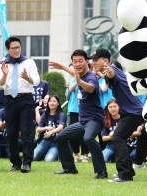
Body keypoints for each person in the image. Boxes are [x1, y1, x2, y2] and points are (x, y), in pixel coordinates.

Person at [48, 49, 108, 179]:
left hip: (95, 120)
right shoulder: (80, 74)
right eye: (74, 61)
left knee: (88, 138)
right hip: (83, 122)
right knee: (61, 137)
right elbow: (74, 72)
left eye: (80, 61)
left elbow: (91, 88)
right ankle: (70, 168)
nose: (77, 64)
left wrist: (79, 82)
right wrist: (62, 67)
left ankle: (102, 172)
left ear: (87, 61)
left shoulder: (91, 76)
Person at [90, 48, 144, 182]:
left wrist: (108, 72)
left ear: (106, 61)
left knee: (117, 138)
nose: (94, 62)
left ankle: (125, 175)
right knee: (121, 138)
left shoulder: (112, 71)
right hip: (131, 112)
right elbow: (112, 78)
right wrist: (102, 74)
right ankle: (129, 171)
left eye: (96, 60)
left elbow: (112, 75)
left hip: (133, 113)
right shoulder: (113, 72)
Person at [0, 36, 40, 173]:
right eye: (13, 48)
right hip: (10, 100)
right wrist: (4, 75)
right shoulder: (3, 64)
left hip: (26, 99)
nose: (17, 50)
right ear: (7, 49)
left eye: (18, 47)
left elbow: (37, 81)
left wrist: (27, 78)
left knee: (27, 131)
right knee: (11, 132)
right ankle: (15, 162)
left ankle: (27, 163)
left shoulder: (29, 62)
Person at [33, 95, 65, 162]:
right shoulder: (45, 115)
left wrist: (51, 132)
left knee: (48, 161)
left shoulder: (61, 114)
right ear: (48, 103)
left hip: (56, 143)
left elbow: (61, 127)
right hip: (44, 142)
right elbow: (38, 129)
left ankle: (53, 154)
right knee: (32, 158)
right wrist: (47, 128)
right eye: (50, 101)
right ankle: (45, 154)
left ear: (58, 103)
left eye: (54, 101)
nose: (52, 103)